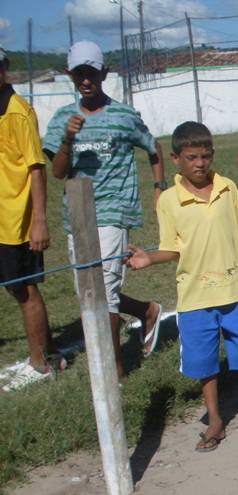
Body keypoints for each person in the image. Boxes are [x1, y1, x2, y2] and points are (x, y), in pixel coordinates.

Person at [125, 122, 238, 450]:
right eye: (191, 157)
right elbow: (171, 248)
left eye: (205, 156)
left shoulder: (227, 187)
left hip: (236, 291)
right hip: (195, 296)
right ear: (175, 159)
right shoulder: (169, 201)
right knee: (205, 362)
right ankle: (214, 419)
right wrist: (149, 258)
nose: (199, 163)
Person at [42, 40, 162, 381]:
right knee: (89, 291)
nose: (85, 80)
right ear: (71, 75)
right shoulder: (63, 118)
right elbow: (59, 172)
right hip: (78, 214)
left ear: (103, 74)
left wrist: (159, 188)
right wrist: (67, 139)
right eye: (79, 74)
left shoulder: (124, 115)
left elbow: (154, 149)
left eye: (91, 73)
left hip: (114, 209)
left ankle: (113, 370)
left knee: (105, 290)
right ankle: (146, 310)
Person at [0, 45, 62, 391]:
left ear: (5, 68)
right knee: (15, 289)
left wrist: (39, 220)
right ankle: (48, 350)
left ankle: (40, 364)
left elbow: (36, 169)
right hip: (0, 220)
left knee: (26, 290)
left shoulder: (18, 112)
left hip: (17, 222)